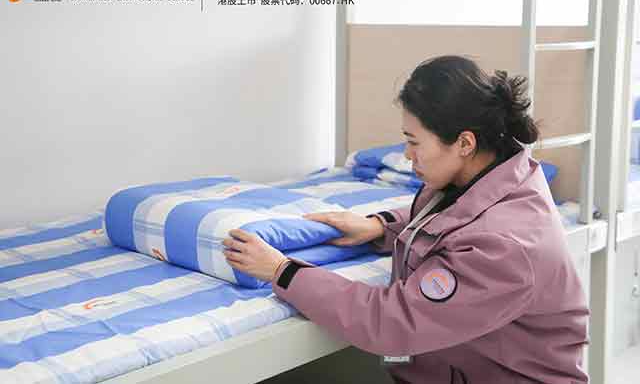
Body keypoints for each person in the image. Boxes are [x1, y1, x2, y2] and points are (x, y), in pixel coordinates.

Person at [222, 55, 589, 383]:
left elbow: (392, 321)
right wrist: (380, 226)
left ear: (465, 143)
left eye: (414, 142)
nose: (407, 156)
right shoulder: (485, 177)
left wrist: (282, 271)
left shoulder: (503, 247)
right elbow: (457, 221)